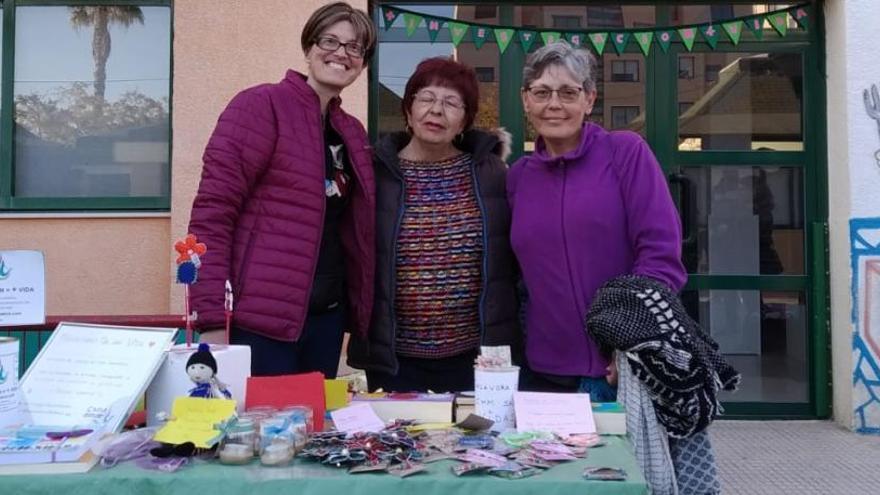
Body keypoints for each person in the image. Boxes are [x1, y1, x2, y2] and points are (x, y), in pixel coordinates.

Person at [187, 2, 377, 378]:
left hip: (325, 322)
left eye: (354, 47)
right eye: (330, 40)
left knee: (309, 432)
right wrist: (210, 316)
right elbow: (212, 213)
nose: (341, 53)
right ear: (309, 47)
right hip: (258, 323)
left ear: (362, 62)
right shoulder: (260, 106)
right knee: (254, 432)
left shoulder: (352, 132)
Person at [507, 41, 687, 398]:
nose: (554, 104)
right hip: (541, 372)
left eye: (568, 92)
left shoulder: (625, 152)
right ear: (525, 100)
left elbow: (661, 257)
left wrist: (631, 343)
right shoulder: (518, 177)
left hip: (616, 370)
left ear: (589, 99)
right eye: (542, 92)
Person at [347, 57, 521, 392]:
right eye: (426, 98)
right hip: (394, 359)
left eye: (452, 103)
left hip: (475, 358)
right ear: (408, 110)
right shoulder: (373, 174)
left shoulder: (492, 174)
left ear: (465, 121)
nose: (437, 110)